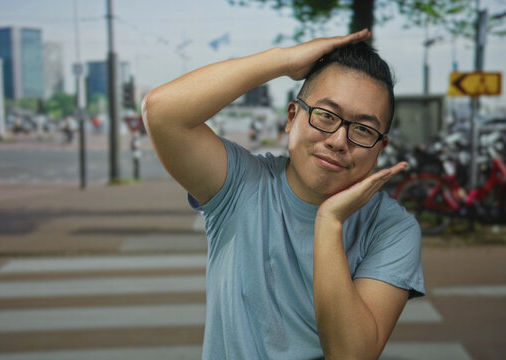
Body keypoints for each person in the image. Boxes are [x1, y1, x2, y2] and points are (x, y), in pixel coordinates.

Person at [143, 29, 425, 360]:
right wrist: (284, 60)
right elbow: (161, 112)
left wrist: (329, 221)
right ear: (292, 117)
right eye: (326, 115)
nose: (337, 140)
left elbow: (351, 356)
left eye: (363, 129)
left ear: (380, 148)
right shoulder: (240, 184)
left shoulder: (393, 229)